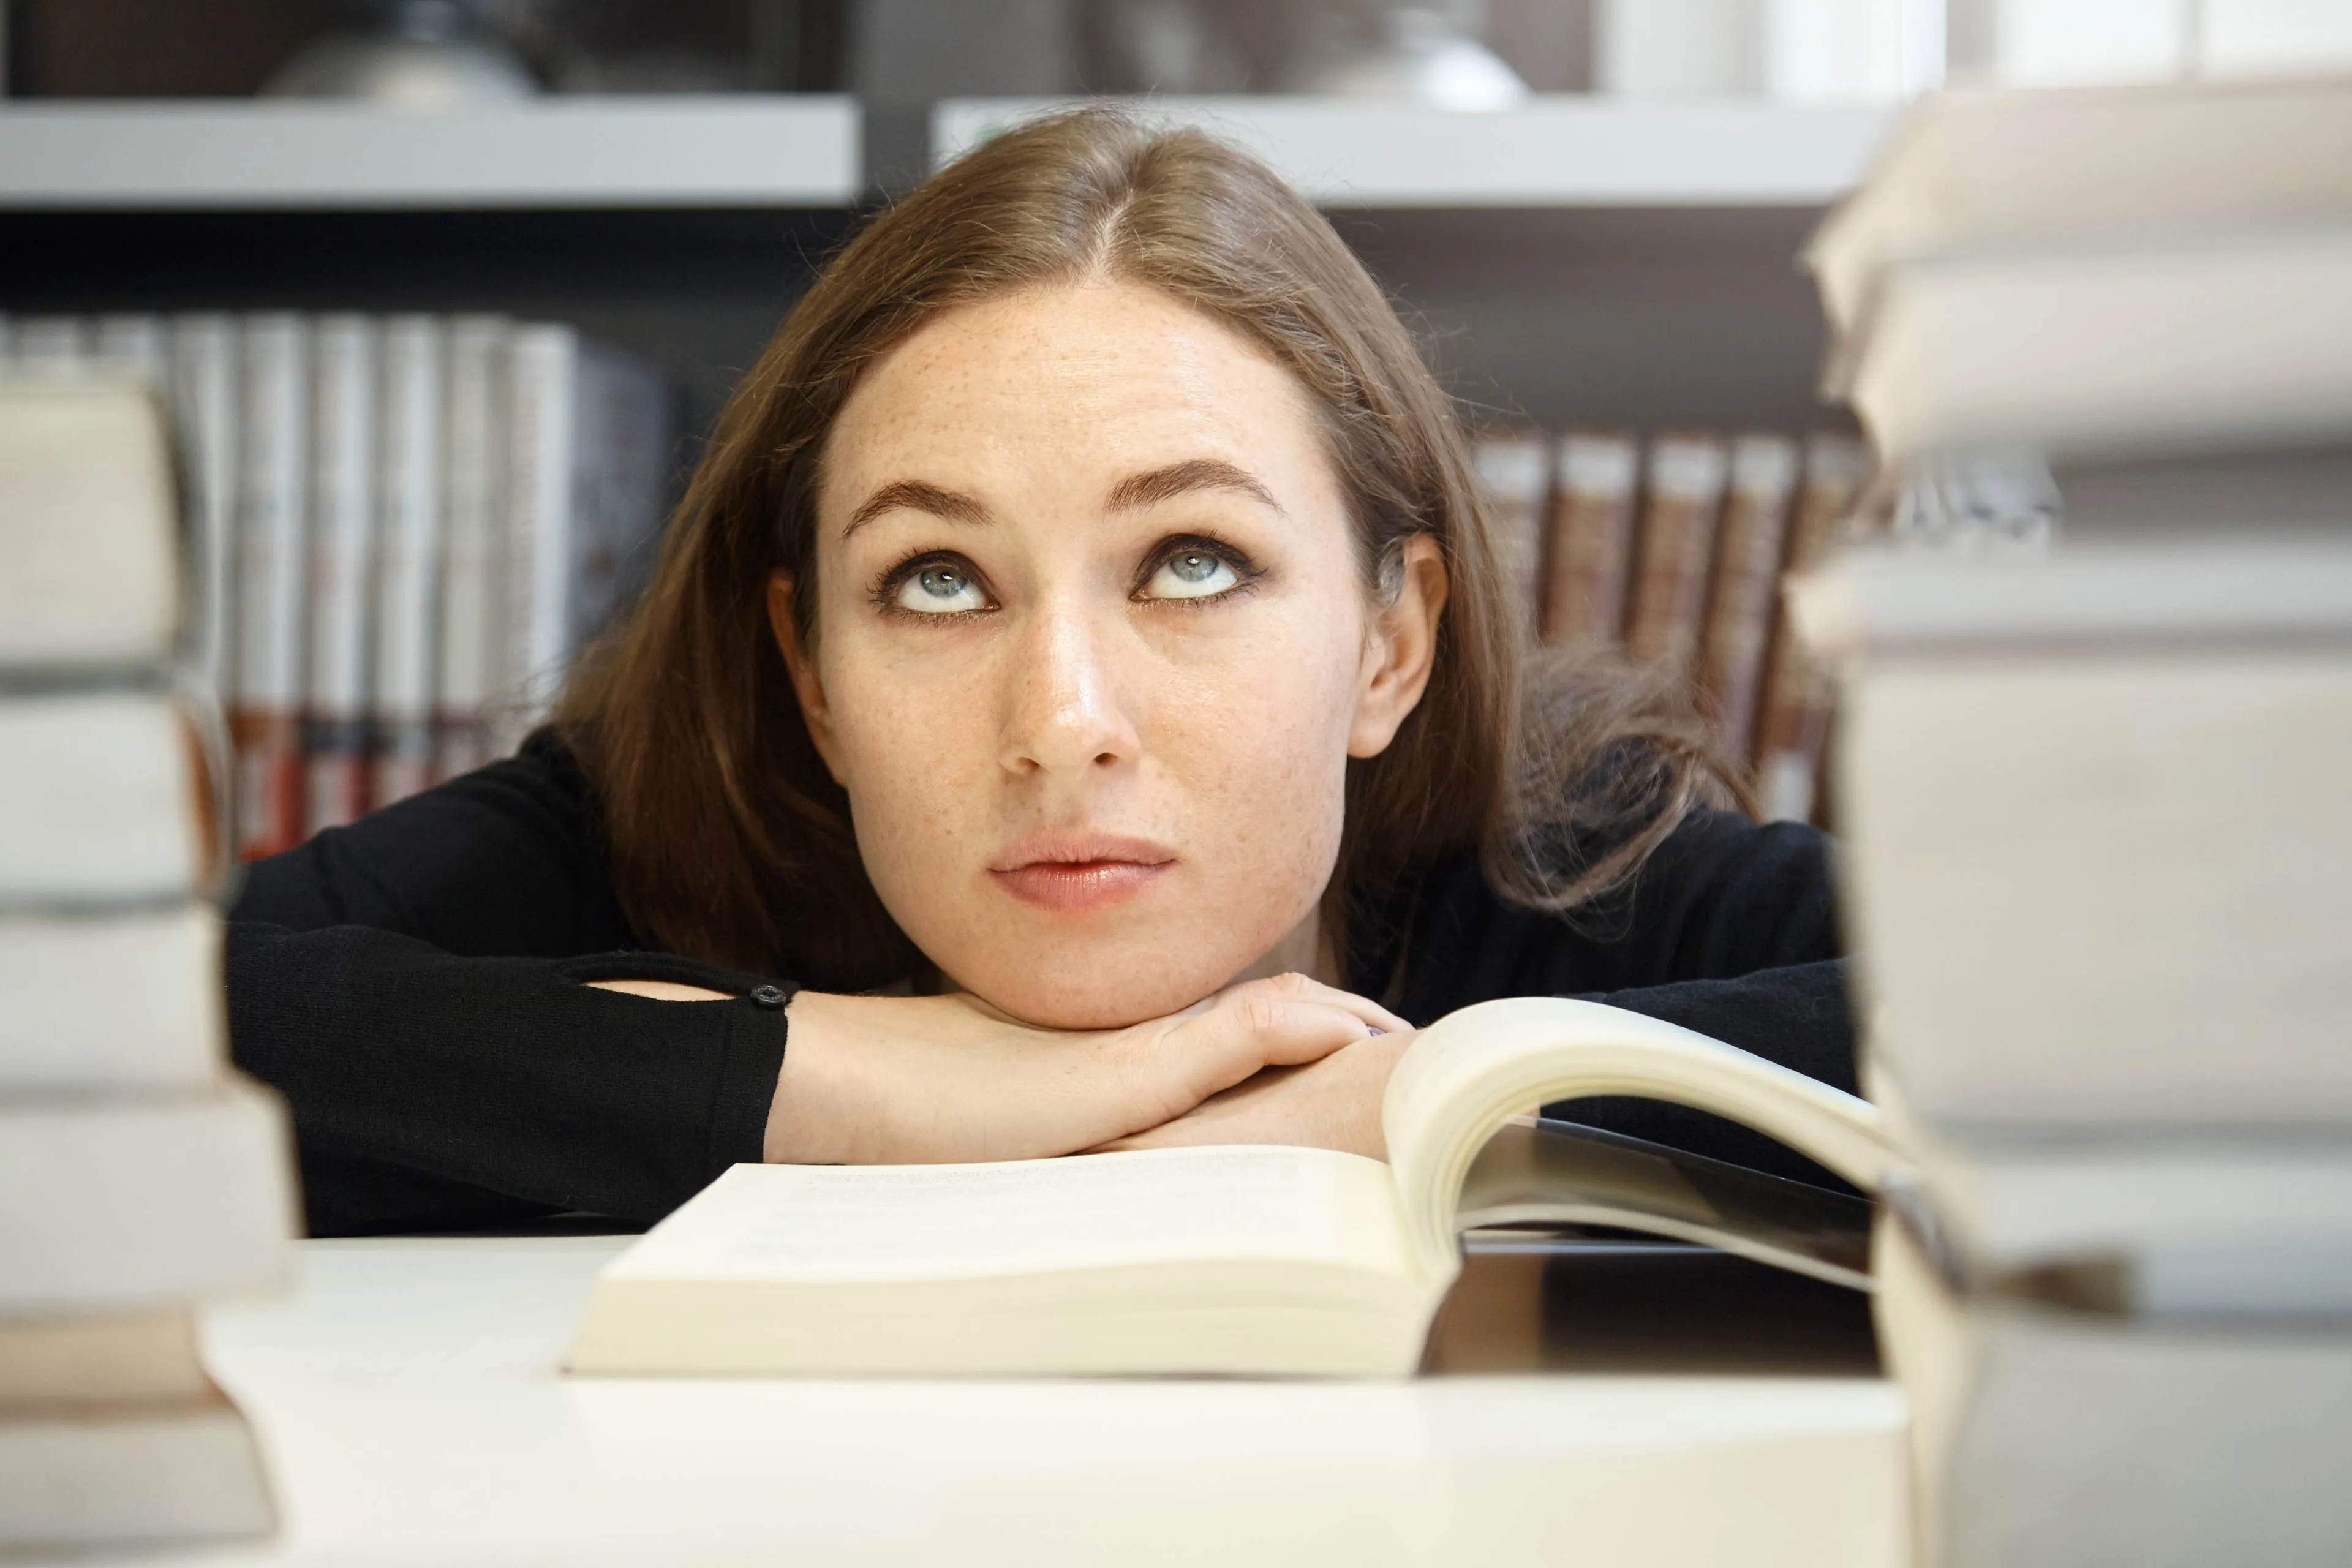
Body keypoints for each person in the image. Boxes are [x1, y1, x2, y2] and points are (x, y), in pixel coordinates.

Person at [228, 109, 1852, 1238]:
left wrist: (1398, 1105)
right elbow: (102, 1028)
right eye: (938, 583)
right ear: (811, 678)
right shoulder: (653, 828)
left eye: (1193, 565)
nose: (1062, 721)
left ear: (1391, 643)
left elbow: (2076, 1015)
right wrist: (834, 1084)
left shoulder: (1572, 870)